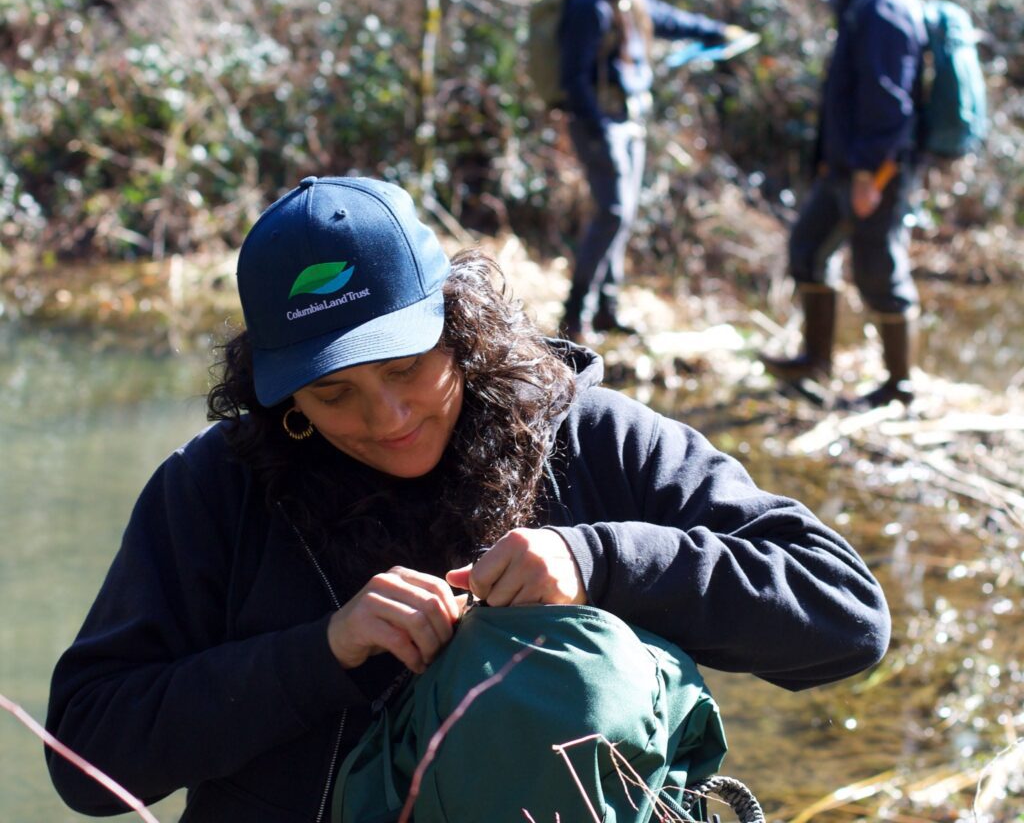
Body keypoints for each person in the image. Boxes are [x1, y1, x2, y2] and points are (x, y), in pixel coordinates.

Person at [46, 175, 891, 823]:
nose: (388, 418)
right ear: (275, 393)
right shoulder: (213, 491)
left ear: (457, 325)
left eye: (406, 367)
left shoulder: (588, 438)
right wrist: (320, 656)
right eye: (332, 394)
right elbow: (84, 752)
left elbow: (846, 618)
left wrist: (601, 562)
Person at [762, 0, 926, 407]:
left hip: (875, 170)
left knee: (878, 268)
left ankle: (901, 387)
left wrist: (868, 176)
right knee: (808, 249)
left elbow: (888, 100)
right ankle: (816, 360)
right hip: (844, 166)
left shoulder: (883, 4)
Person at [558, 0, 742, 344]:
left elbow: (671, 21)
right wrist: (598, 126)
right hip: (601, 126)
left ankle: (607, 311)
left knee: (621, 216)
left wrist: (720, 32)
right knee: (613, 212)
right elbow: (573, 77)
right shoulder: (589, 6)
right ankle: (574, 315)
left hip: (628, 121)